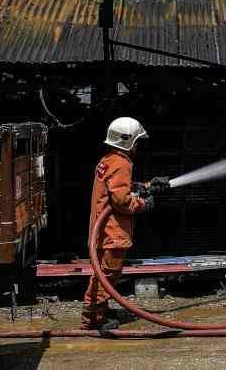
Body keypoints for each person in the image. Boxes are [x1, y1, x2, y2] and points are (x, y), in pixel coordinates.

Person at [81, 117, 157, 331]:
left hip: (101, 229)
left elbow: (116, 188)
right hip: (113, 231)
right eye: (137, 141)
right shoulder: (122, 163)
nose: (138, 146)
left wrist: (146, 186)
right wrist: (143, 204)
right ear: (129, 141)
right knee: (108, 274)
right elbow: (122, 200)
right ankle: (94, 318)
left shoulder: (108, 160)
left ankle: (97, 310)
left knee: (102, 273)